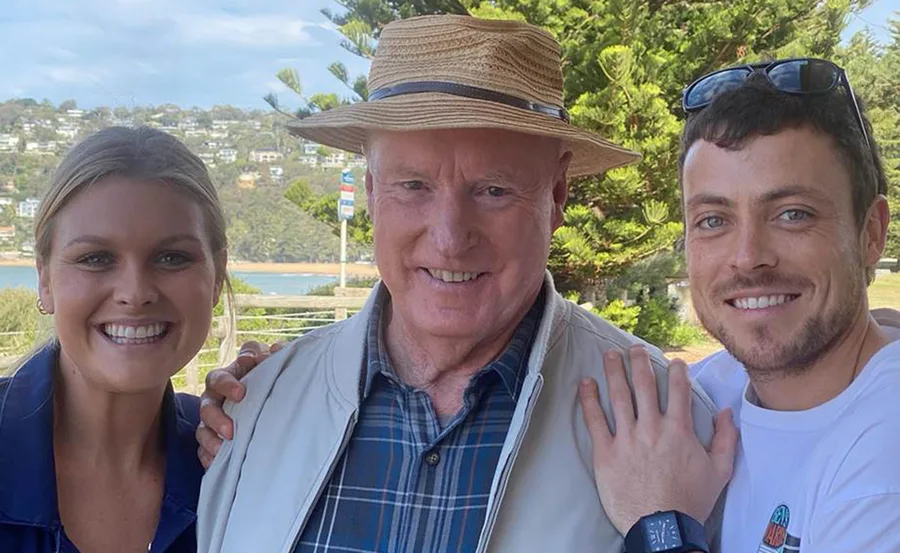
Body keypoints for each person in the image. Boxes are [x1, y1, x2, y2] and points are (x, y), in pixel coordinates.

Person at [194, 14, 734, 553]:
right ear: (372, 190)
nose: (450, 238)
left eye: (494, 190)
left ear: (557, 195)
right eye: (413, 185)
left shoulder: (668, 428)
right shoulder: (257, 407)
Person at [578, 59, 900, 552]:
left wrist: (660, 523)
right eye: (713, 220)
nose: (748, 257)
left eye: (792, 214)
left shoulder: (884, 461)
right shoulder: (703, 397)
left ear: (871, 234)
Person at [0, 126, 229, 552]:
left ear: (217, 276)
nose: (135, 293)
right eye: (96, 258)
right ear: (45, 280)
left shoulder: (233, 456)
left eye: (171, 257)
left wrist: (287, 398)